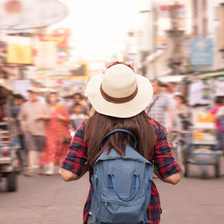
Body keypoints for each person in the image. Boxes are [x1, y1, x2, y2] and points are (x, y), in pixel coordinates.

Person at [61, 62, 181, 224]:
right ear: (135, 93)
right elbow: (173, 177)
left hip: (101, 212)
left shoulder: (88, 127)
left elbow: (68, 174)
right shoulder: (153, 129)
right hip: (144, 214)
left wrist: (93, 162)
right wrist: (147, 166)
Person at [18, 87, 50, 176]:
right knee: (31, 149)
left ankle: (41, 166)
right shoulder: (25, 105)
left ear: (37, 95)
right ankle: (31, 168)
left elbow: (49, 116)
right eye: (30, 94)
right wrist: (23, 126)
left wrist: (41, 116)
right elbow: (21, 118)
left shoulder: (43, 105)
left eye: (33, 93)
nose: (31, 95)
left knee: (40, 151)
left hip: (41, 131)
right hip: (29, 131)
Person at [40, 92, 71, 176]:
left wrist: (62, 117)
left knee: (61, 151)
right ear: (48, 99)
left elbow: (68, 119)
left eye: (54, 97)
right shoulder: (46, 108)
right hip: (49, 132)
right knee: (51, 149)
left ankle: (61, 169)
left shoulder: (61, 107)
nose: (53, 99)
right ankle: (51, 169)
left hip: (60, 132)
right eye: (51, 97)